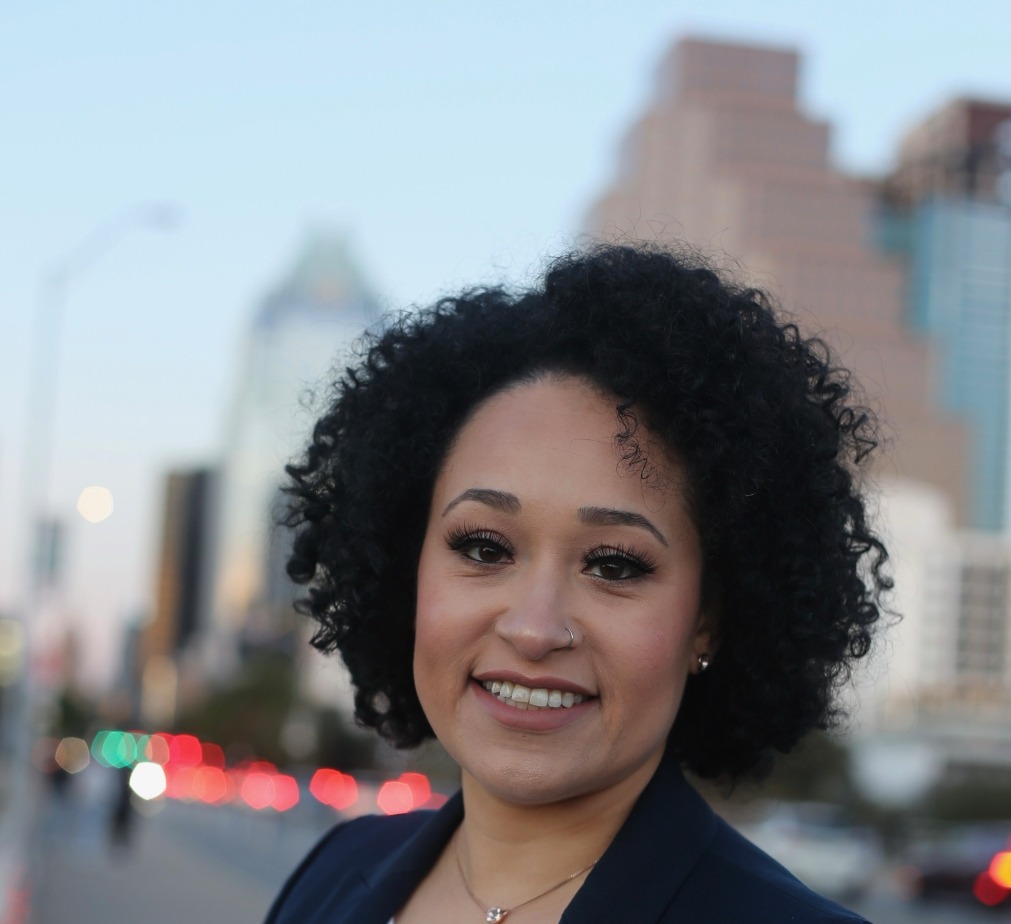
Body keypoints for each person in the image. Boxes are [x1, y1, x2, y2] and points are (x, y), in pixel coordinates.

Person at [266, 243, 890, 923]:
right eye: (483, 547)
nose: (535, 628)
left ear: (707, 618)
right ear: (403, 566)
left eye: (615, 565)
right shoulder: (331, 874)